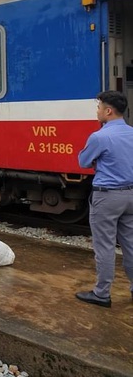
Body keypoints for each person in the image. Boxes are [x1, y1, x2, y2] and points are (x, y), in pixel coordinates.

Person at [75, 90, 133, 308]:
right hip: (131, 195)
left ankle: (101, 294)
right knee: (131, 244)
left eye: (99, 107)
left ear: (108, 111)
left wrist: (99, 162)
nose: (97, 111)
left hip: (107, 197)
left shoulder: (100, 136)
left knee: (105, 247)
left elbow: (83, 161)